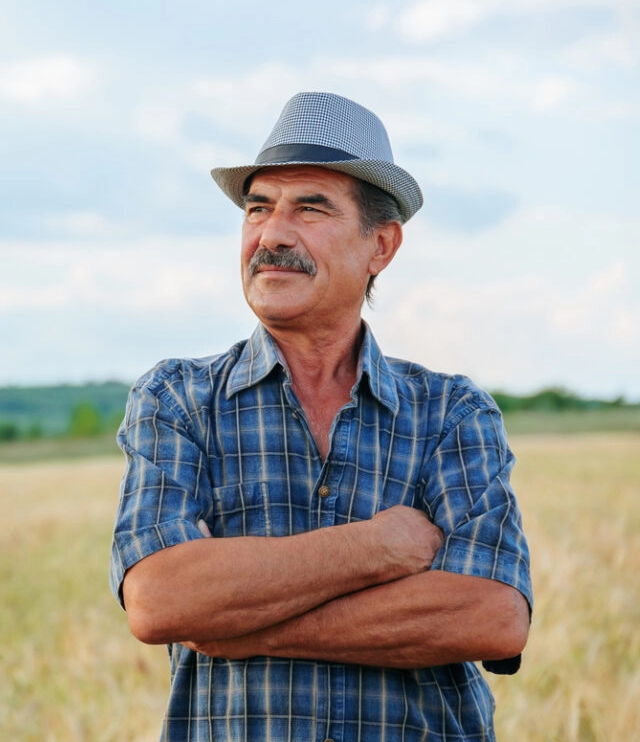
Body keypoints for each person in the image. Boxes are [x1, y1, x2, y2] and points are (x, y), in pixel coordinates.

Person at [109, 92, 532, 741]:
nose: (272, 234)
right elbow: (160, 599)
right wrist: (379, 548)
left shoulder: (452, 413)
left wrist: (242, 624)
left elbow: (491, 617)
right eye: (258, 207)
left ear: (381, 246)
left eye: (310, 207)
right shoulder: (178, 399)